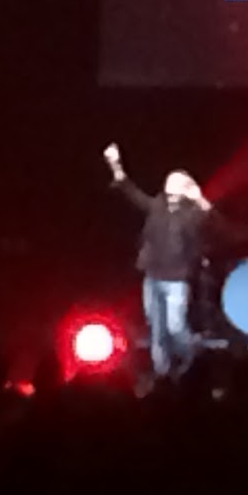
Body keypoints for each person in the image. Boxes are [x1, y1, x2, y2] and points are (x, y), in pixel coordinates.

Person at [103, 143, 213, 378]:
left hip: (176, 280)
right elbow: (131, 191)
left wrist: (199, 197)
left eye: (176, 185)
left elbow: (210, 217)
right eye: (169, 183)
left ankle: (192, 354)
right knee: (156, 330)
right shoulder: (156, 206)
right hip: (153, 277)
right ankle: (162, 374)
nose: (170, 187)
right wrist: (115, 164)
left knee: (175, 327)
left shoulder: (191, 213)